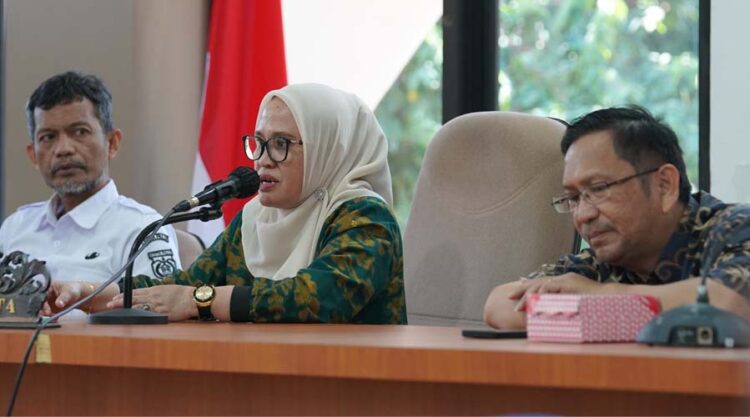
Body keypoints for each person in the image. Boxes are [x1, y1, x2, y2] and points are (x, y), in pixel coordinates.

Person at [49, 83, 407, 324]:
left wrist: (199, 300)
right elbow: (184, 283)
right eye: (259, 142)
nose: (263, 160)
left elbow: (320, 298)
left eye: (281, 144)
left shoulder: (365, 217)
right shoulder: (256, 218)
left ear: (331, 149)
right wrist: (93, 293)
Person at [483, 106, 750, 329]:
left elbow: (731, 303)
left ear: (664, 185)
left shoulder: (736, 227)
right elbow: (500, 306)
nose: (583, 215)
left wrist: (604, 297)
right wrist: (611, 307)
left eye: (598, 189)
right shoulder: (600, 262)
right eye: (574, 198)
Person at [0, 71, 180, 312]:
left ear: (112, 143)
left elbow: (162, 316)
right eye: (48, 137)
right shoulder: (14, 227)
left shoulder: (143, 228)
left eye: (80, 132)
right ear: (33, 154)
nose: (63, 149)